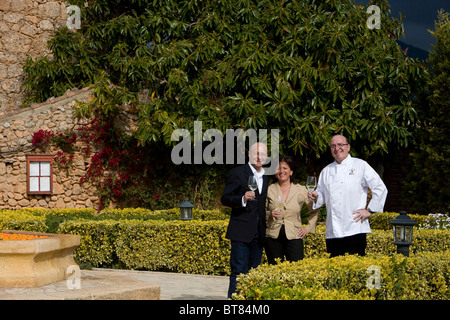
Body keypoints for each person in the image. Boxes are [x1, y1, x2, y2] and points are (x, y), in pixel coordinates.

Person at [308, 135, 387, 257]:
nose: (337, 148)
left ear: (348, 147)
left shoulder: (361, 165)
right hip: (333, 230)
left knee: (356, 268)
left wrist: (370, 210)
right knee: (335, 269)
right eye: (333, 146)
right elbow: (322, 194)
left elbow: (380, 188)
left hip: (355, 227)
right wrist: (316, 196)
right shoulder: (326, 171)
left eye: (340, 145)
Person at [221, 142, 270, 299]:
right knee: (238, 271)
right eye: (256, 153)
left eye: (262, 154)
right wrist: (242, 198)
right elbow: (225, 198)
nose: (259, 157)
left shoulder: (268, 176)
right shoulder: (238, 172)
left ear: (267, 157)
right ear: (249, 154)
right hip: (241, 232)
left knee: (254, 273)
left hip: (259, 234)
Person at [265, 156, 319, 264]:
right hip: (272, 235)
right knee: (274, 270)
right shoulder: (268, 189)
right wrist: (270, 214)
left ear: (291, 172)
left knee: (296, 269)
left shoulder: (300, 189)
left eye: (285, 168)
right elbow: (260, 212)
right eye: (278, 168)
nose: (281, 171)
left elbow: (314, 209)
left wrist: (308, 228)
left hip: (294, 235)